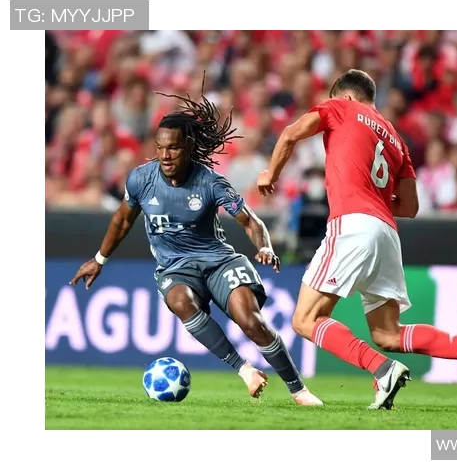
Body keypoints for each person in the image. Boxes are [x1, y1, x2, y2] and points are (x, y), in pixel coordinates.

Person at [257, 69, 457, 409]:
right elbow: (410, 207)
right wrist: (372, 193)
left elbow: (291, 133)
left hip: (352, 225)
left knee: (306, 319)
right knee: (388, 333)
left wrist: (270, 173)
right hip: (386, 233)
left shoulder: (341, 107)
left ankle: (383, 369)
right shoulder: (396, 140)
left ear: (346, 96)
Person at [70, 89, 322, 406]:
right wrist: (99, 259)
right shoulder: (141, 180)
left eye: (173, 148)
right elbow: (122, 220)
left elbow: (250, 221)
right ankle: (244, 370)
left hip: (219, 261)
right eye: (160, 147)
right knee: (179, 300)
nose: (165, 155)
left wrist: (266, 247)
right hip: (175, 267)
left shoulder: (210, 182)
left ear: (188, 146)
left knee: (250, 321)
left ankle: (299, 390)